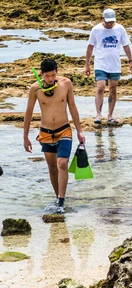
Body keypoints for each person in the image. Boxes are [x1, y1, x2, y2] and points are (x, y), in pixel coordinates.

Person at [23, 58, 86, 214]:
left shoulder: (66, 84)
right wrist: (25, 137)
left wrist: (79, 130)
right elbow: (29, 112)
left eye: (53, 75)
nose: (51, 79)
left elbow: (72, 106)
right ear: (41, 74)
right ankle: (58, 199)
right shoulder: (35, 89)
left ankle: (61, 200)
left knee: (62, 164)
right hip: (45, 133)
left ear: (57, 72)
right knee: (52, 169)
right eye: (47, 76)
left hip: (64, 130)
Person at [85, 8, 132, 125]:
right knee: (101, 87)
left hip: (115, 65)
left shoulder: (120, 29)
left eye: (112, 22)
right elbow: (90, 47)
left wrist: (131, 62)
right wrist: (87, 65)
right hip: (100, 63)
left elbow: (126, 46)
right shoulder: (96, 30)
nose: (110, 24)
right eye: (108, 22)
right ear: (102, 18)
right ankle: (98, 115)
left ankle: (110, 116)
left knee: (113, 89)